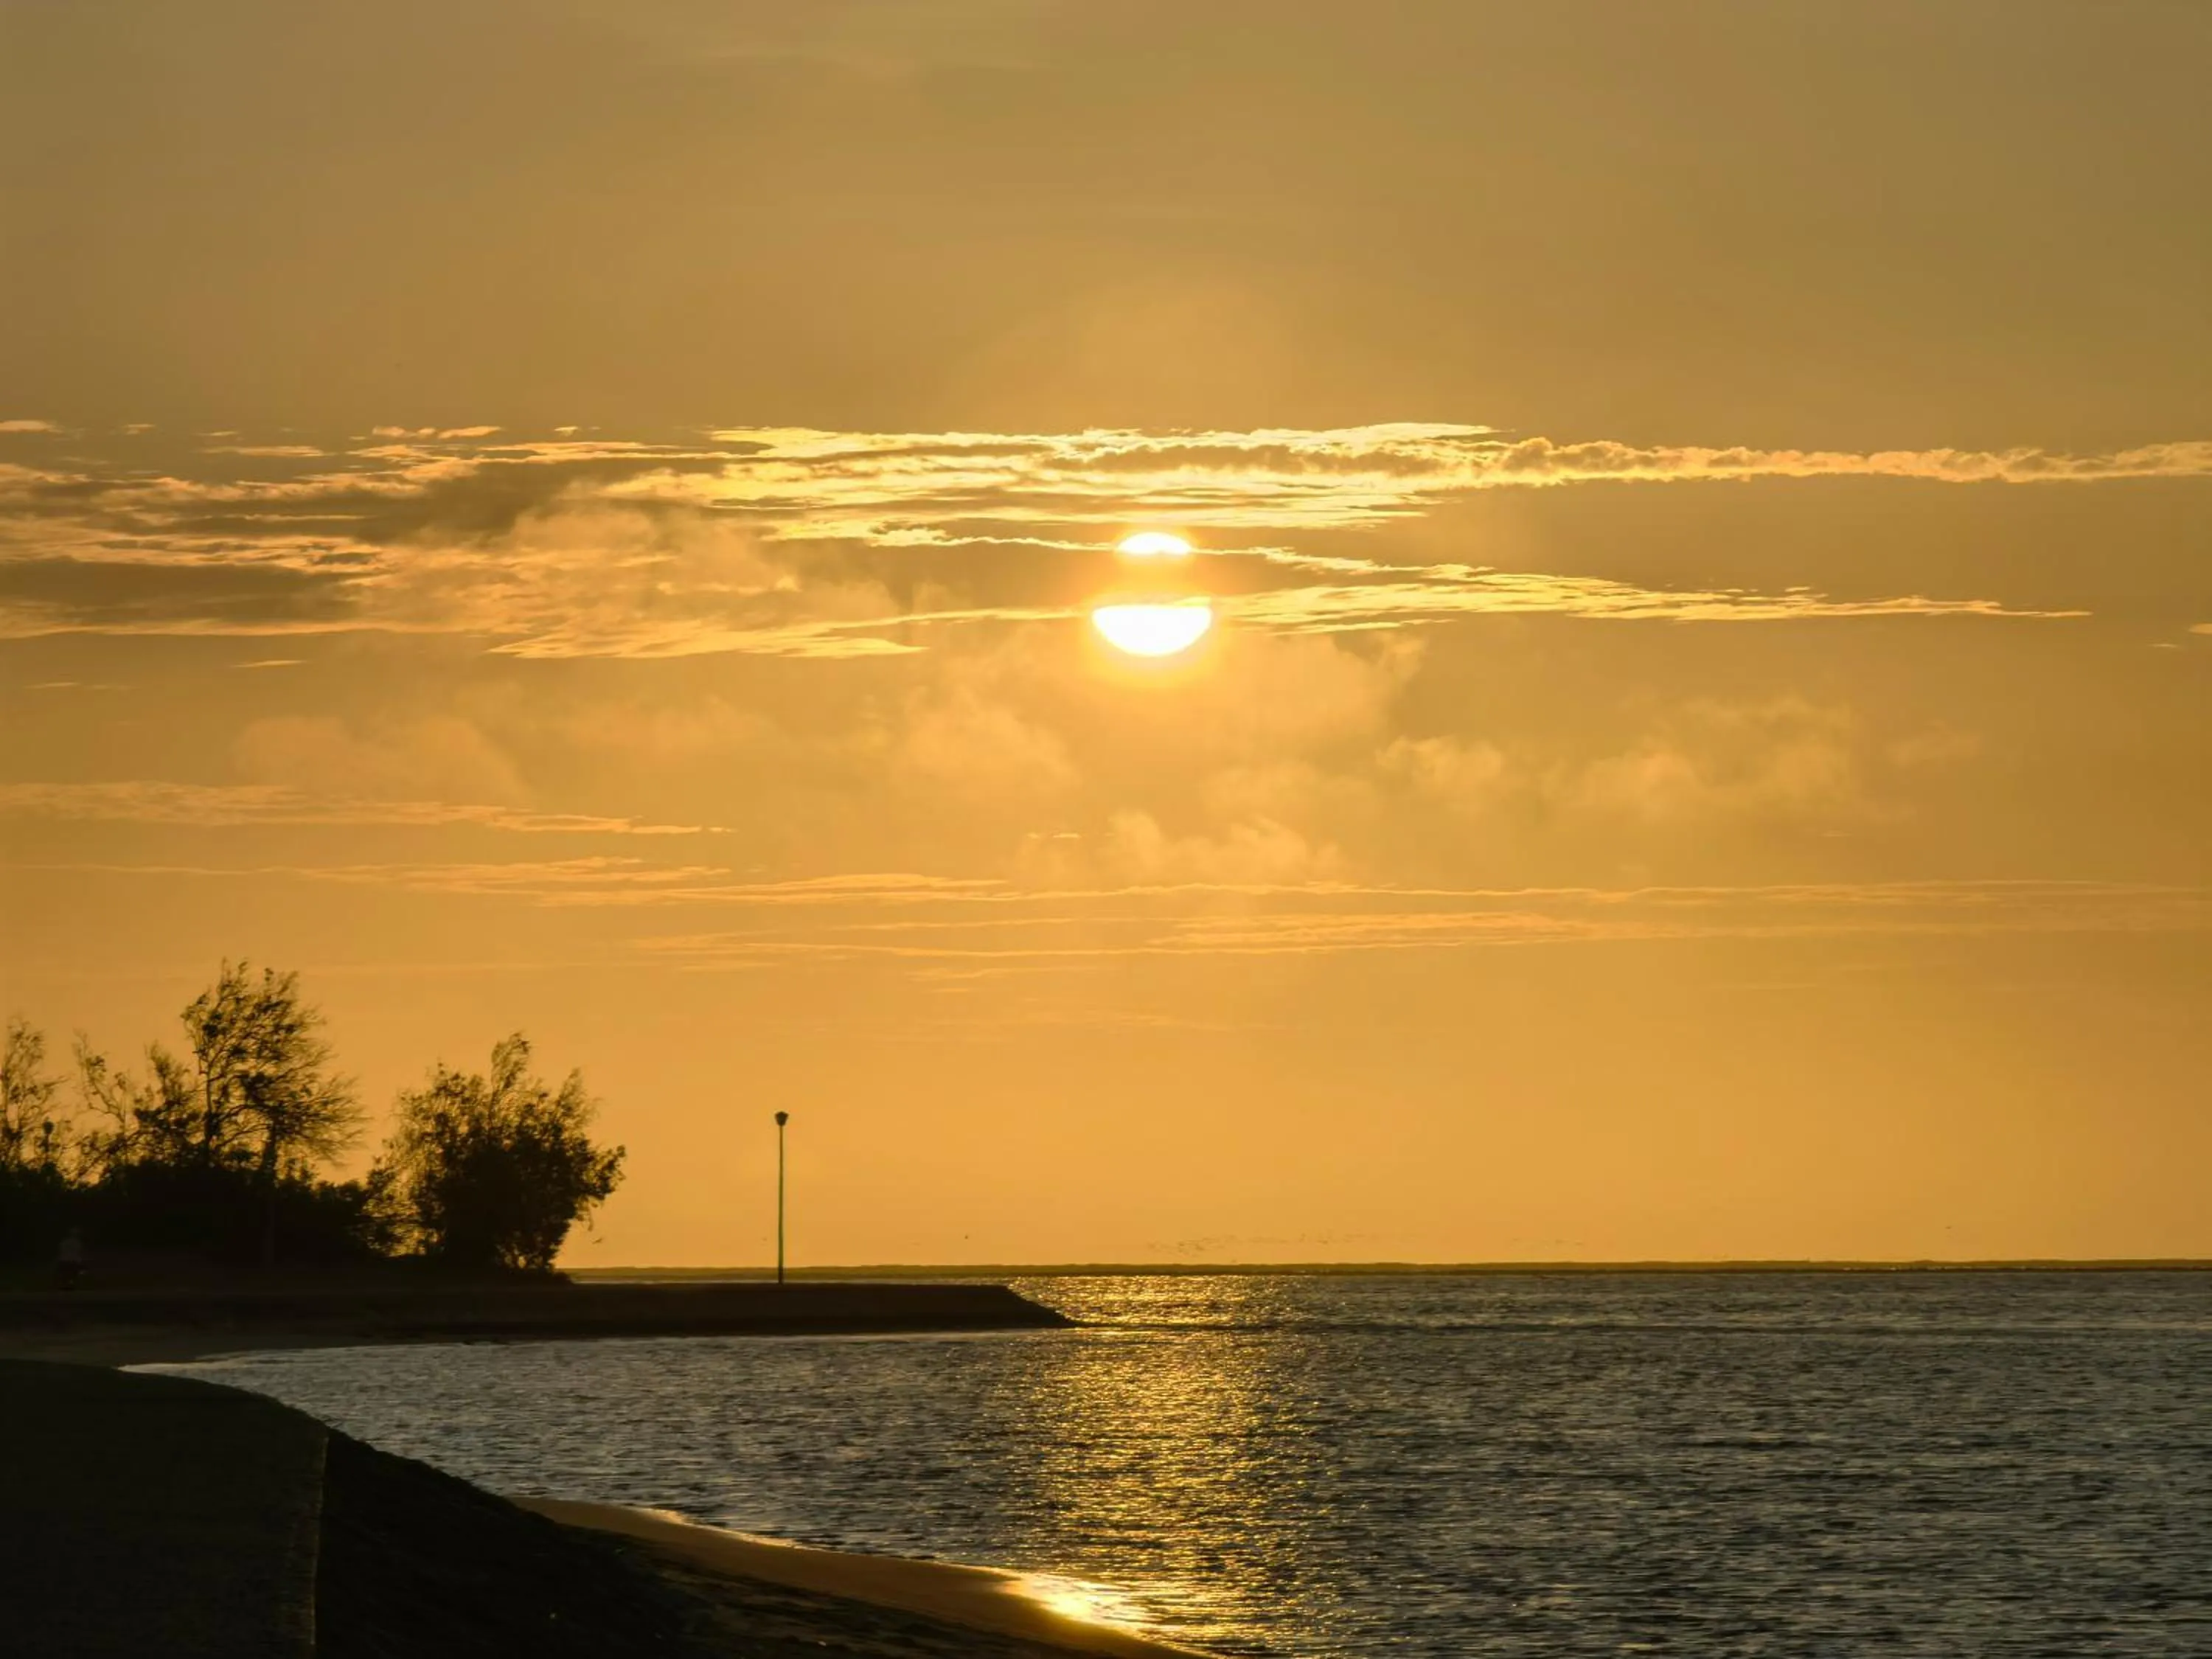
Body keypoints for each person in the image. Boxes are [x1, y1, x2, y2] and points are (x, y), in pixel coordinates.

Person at [54, 1226, 84, 1293]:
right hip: (72, 1260)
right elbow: (79, 1252)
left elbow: (60, 1251)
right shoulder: (77, 1243)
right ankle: (70, 1286)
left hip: (64, 1260)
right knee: (72, 1275)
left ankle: (65, 1286)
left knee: (65, 1275)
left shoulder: (64, 1242)